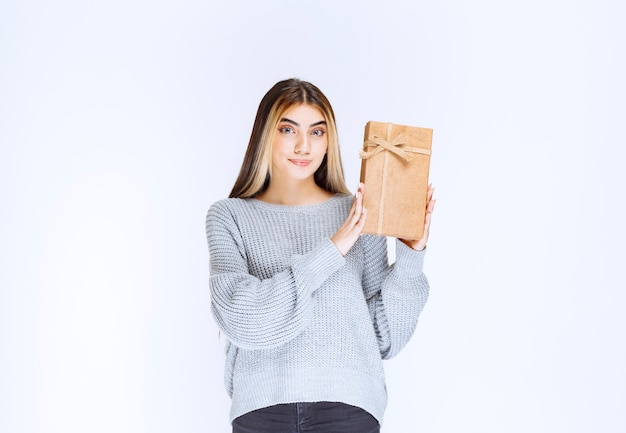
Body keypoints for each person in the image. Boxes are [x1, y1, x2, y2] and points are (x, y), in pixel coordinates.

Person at [205, 78, 435, 433]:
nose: (303, 145)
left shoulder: (358, 212)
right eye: (287, 129)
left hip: (349, 408)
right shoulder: (229, 216)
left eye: (317, 132)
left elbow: (385, 339)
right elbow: (241, 318)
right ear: (265, 135)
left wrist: (411, 252)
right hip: (263, 409)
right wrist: (332, 249)